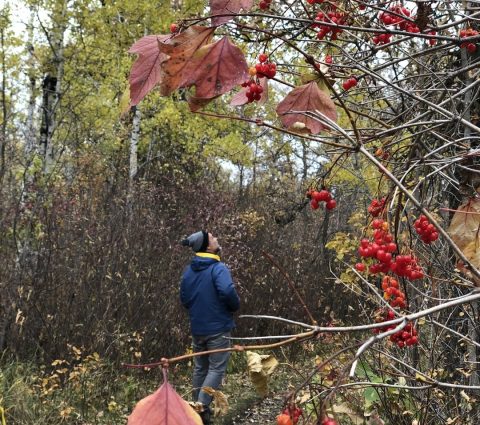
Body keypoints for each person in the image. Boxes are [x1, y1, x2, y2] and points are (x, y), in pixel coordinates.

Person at [180, 230, 240, 425]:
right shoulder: (218, 268)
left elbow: (185, 299)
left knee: (200, 368)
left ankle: (195, 412)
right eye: (213, 237)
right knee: (216, 369)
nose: (216, 239)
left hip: (198, 328)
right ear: (207, 246)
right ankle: (201, 406)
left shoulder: (189, 271)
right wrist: (234, 306)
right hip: (218, 327)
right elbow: (227, 291)